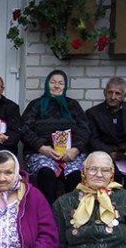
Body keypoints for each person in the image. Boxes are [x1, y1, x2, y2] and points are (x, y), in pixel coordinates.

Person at [21, 69, 90, 205]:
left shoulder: (73, 105)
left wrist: (75, 149)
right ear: (47, 84)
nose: (56, 86)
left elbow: (85, 129)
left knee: (75, 175)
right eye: (53, 82)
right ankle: (48, 215)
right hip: (42, 152)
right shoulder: (36, 105)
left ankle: (72, 215)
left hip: (71, 153)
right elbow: (24, 129)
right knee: (46, 173)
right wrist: (41, 147)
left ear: (65, 86)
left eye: (60, 83)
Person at [86, 77, 126, 182]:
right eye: (110, 93)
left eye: (117, 94)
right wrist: (109, 153)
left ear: (124, 96)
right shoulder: (93, 113)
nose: (113, 97)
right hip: (106, 155)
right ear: (104, 93)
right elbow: (93, 139)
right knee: (112, 175)